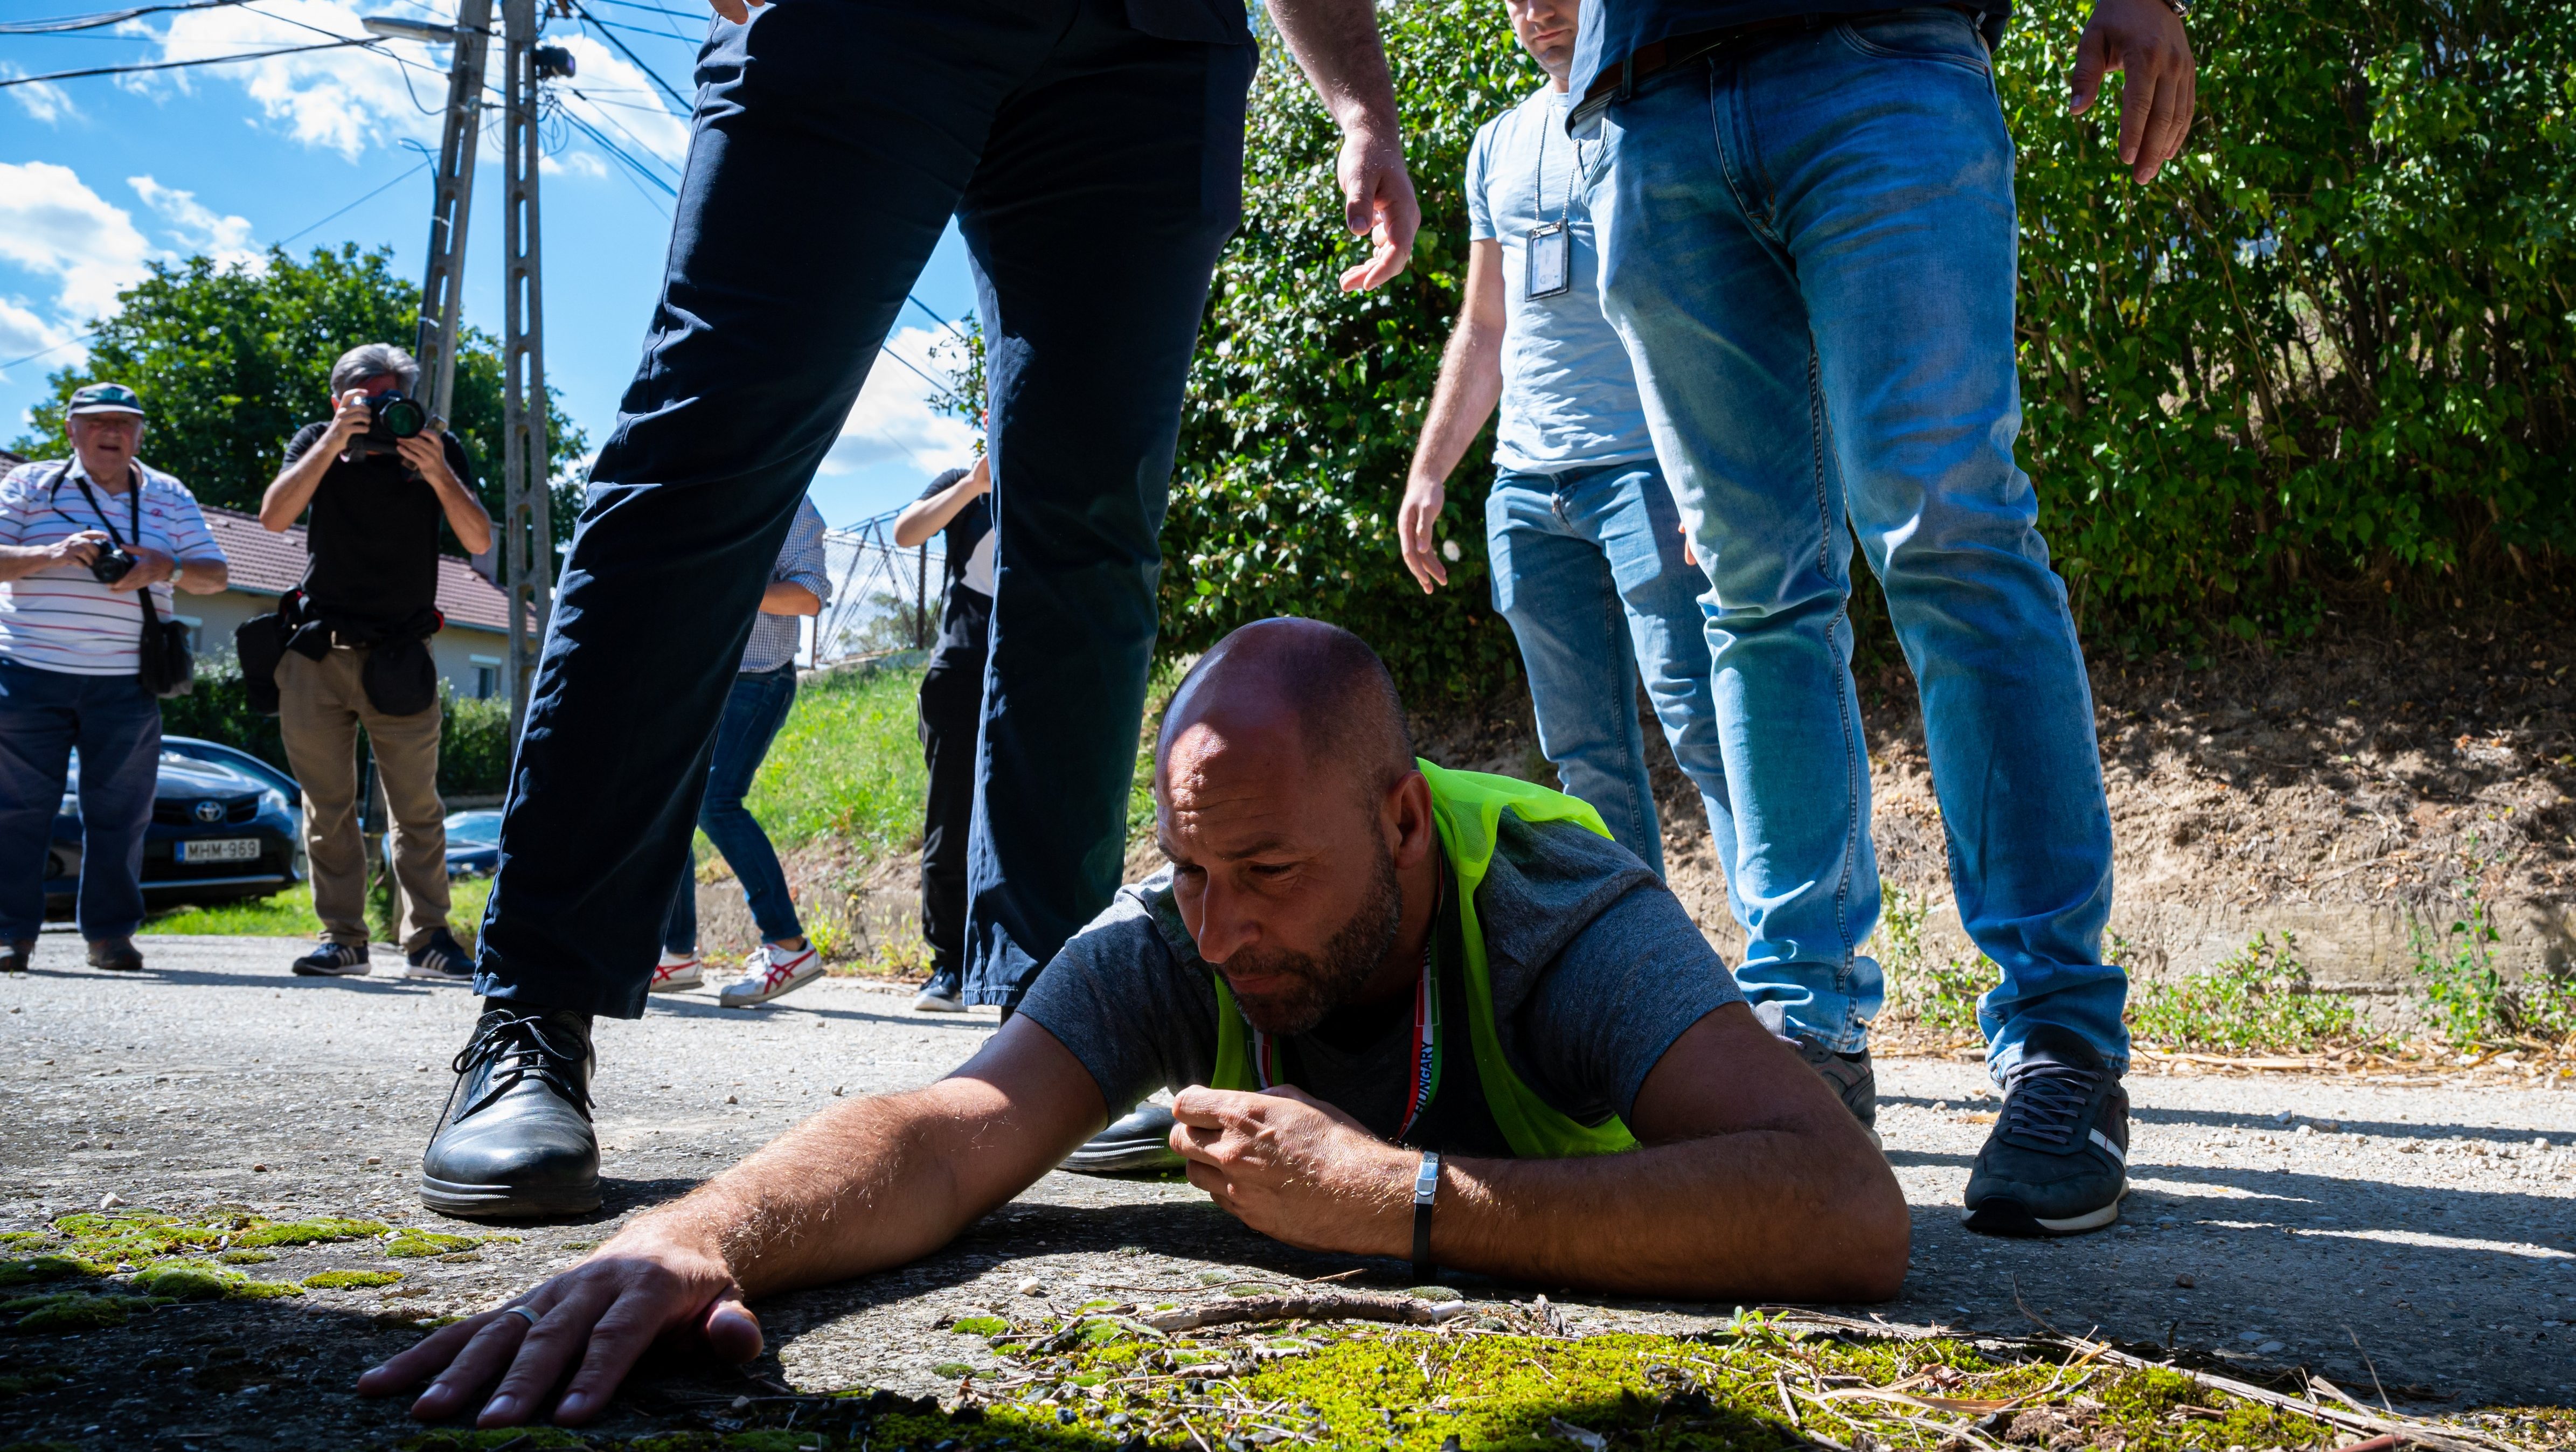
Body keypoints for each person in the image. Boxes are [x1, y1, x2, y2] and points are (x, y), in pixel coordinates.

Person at [360, 618, 1905, 1429]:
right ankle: (1153, 1107)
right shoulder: (1181, 925)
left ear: (1404, 822)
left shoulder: (1555, 904)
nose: (1221, 928)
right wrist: (698, 1236)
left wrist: (1403, 1201)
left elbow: (1841, 1206)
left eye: (1273, 874)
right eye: (1190, 868)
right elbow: (955, 1126)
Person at [421, 0, 1420, 1221]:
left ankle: (1064, 1027)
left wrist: (1362, 101)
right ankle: (536, 1005)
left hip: (1151, 43)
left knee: (1092, 526)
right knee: (705, 457)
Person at [1569, 0, 2196, 1233]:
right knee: (1754, 592)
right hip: (1642, 104)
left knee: (1953, 537)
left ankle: (2062, 1046)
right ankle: (1803, 1035)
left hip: (1879, 54)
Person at [1396, 0, 1730, 883]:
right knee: (1583, 760)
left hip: (1646, 477)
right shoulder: (1494, 145)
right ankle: (1642, 977)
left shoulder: (1666, 111)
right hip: (1525, 490)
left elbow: (1712, 303)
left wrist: (1708, 472)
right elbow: (1483, 326)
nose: (1537, 12)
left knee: (1704, 727)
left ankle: (1780, 971)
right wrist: (1431, 471)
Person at [256, 344, 493, 982]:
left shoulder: (434, 445)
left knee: (417, 806)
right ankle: (343, 937)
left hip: (402, 652)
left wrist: (439, 472)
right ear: (339, 400)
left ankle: (429, 939)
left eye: (392, 393)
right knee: (326, 804)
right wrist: (334, 441)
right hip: (317, 652)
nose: (383, 406)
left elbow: (478, 540)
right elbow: (274, 516)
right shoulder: (317, 441)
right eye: (366, 396)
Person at [0, 383, 230, 975]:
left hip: (126, 680)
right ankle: (10, 936)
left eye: (125, 424)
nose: (112, 432)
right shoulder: (31, 483)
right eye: (98, 422)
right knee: (16, 810)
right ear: (71, 430)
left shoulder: (167, 493)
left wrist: (166, 565)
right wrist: (55, 552)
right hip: (28, 671)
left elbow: (216, 576)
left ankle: (110, 937)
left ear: (140, 435)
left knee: (123, 814)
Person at [650, 493, 832, 1008]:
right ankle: (677, 951)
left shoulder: (791, 500)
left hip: (757, 679)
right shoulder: (696, 493)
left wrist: (732, 583)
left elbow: (809, 596)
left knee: (715, 801)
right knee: (673, 806)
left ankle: (787, 944)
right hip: (696, 677)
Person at [889, 457, 992, 1015]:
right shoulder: (963, 483)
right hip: (960, 673)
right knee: (949, 826)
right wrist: (973, 486)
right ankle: (948, 966)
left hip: (1034, 674)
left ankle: (1020, 966)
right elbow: (907, 532)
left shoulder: (1056, 477)